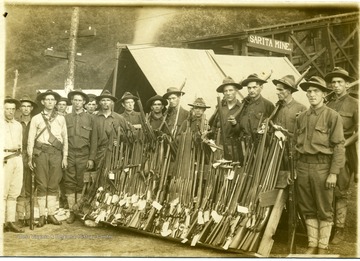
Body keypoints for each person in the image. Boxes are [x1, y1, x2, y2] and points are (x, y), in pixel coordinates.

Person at [294, 76, 345, 255]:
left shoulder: (333, 116)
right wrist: (296, 168)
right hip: (303, 166)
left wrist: (333, 173)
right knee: (307, 207)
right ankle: (312, 244)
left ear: (324, 94)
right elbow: (296, 145)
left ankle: (322, 247)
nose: (312, 94)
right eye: (309, 91)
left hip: (323, 167)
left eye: (316, 91)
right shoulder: (301, 117)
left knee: (324, 208)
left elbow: (339, 147)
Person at [324, 67, 358, 244]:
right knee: (326, 189)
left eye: (340, 82)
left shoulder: (355, 103)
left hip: (344, 151)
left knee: (341, 191)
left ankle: (339, 229)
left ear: (347, 85)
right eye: (334, 82)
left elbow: (358, 130)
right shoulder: (328, 104)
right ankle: (327, 228)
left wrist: (344, 144)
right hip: (326, 151)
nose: (336, 85)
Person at [27, 89, 68, 227]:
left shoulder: (61, 118)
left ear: (56, 102)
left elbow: (65, 139)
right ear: (43, 102)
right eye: (47, 99)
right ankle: (42, 216)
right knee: (42, 184)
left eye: (52, 99)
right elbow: (31, 139)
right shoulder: (36, 118)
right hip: (41, 154)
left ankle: (51, 214)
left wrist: (65, 157)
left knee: (53, 185)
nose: (50, 102)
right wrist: (29, 157)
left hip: (56, 153)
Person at [64, 89, 94, 224]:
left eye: (80, 100)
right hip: (69, 153)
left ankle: (80, 210)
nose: (77, 103)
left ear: (84, 103)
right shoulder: (66, 118)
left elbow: (94, 140)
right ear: (71, 101)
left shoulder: (90, 118)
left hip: (84, 154)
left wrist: (91, 158)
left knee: (82, 182)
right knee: (69, 182)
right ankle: (71, 211)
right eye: (75, 100)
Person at [89, 90, 133, 175]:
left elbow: (128, 136)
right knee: (99, 177)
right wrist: (91, 158)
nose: (106, 102)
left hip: (115, 153)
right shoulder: (94, 118)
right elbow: (92, 140)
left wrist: (119, 141)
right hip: (99, 153)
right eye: (103, 100)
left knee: (113, 176)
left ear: (112, 102)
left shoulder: (119, 118)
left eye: (108, 100)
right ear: (100, 103)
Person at [15, 95, 37, 227]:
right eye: (23, 106)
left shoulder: (36, 121)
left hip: (33, 156)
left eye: (28, 106)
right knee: (19, 186)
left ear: (32, 108)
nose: (26, 109)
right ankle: (20, 216)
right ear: (20, 108)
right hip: (18, 156)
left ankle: (30, 215)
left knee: (31, 186)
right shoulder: (16, 122)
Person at [209, 76, 243, 160]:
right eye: (225, 91)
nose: (228, 93)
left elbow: (243, 131)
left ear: (236, 91)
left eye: (231, 90)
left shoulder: (242, 108)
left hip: (234, 149)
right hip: (218, 147)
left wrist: (235, 124)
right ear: (223, 93)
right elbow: (213, 126)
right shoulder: (219, 108)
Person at [3, 97, 24, 233]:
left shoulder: (18, 125)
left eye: (12, 109)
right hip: (4, 158)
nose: (10, 112)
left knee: (14, 192)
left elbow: (20, 143)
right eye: (7, 109)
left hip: (17, 158)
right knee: (2, 193)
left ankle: (10, 222)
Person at [236, 73, 275, 138]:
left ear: (261, 87)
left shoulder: (268, 105)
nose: (251, 90)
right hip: (243, 142)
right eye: (249, 88)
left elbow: (272, 127)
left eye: (254, 87)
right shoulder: (244, 104)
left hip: (258, 144)